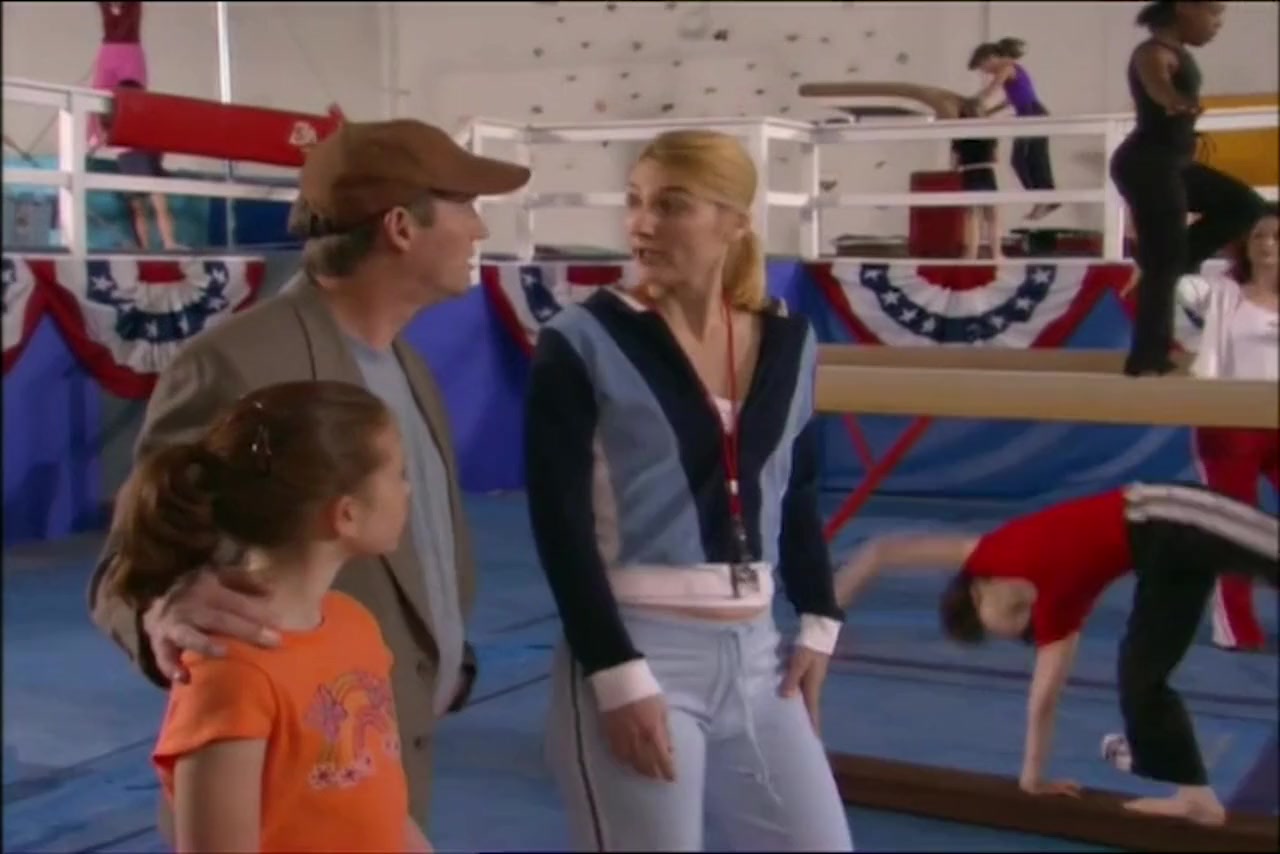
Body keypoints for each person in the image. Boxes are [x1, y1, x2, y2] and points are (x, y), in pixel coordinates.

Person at [86, 118, 532, 833]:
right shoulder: (235, 364)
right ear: (401, 227)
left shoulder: (411, 366)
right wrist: (162, 613)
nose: (480, 229)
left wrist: (442, 661)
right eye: (466, 206)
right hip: (284, 796)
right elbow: (128, 565)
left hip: (378, 757)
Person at [524, 129, 853, 852]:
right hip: (640, 648)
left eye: (672, 205)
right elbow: (558, 521)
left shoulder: (791, 340)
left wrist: (819, 618)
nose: (642, 224)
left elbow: (796, 487)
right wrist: (615, 673)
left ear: (735, 222)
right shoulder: (580, 338)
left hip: (760, 662)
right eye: (635, 202)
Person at [834, 481, 1278, 827]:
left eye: (1000, 615)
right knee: (1140, 680)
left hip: (1162, 514)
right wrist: (1033, 778)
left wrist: (827, 618)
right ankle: (1196, 797)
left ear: (977, 588)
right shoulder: (1055, 617)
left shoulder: (984, 553)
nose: (1016, 623)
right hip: (1161, 564)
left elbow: (882, 552)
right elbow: (1043, 700)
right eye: (1012, 625)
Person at [110, 381, 431, 852]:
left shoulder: (355, 625)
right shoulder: (232, 672)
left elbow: (379, 807)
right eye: (398, 473)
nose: (408, 490)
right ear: (345, 514)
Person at [1109, 0, 1265, 377]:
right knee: (1165, 262)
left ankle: (1169, 259)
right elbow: (1157, 84)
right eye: (1214, 14)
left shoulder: (1176, 51)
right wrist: (1174, 100)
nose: (1218, 24)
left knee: (1246, 205)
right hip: (1147, 164)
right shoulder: (1153, 52)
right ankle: (1147, 359)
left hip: (1173, 166)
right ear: (1184, 8)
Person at [1177, 204, 1278, 651]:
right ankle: (1235, 626)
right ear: (1245, 244)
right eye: (1259, 236)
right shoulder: (1219, 292)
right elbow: (1175, 278)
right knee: (1234, 527)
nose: (1268, 244)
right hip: (1230, 424)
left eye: (1277, 236)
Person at [968, 37, 1057, 221]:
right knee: (1025, 159)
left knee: (1030, 158)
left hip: (1033, 114)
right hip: (1026, 114)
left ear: (990, 58)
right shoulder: (1010, 70)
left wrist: (973, 102)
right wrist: (990, 111)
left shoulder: (1006, 66)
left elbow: (993, 88)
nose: (985, 72)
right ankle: (1044, 198)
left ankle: (1045, 198)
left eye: (983, 67)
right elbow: (1011, 99)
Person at [102, 79, 181, 251]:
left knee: (149, 205)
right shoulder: (122, 115)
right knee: (148, 204)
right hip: (133, 155)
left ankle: (163, 243)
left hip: (139, 154)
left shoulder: (137, 115)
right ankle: (160, 243)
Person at [951, 97, 1002, 260]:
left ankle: (971, 253)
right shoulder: (989, 132)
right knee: (992, 215)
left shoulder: (958, 134)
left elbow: (954, 163)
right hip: (987, 172)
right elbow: (996, 158)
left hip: (969, 173)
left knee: (972, 216)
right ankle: (996, 253)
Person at [90, 2, 147, 148]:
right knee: (99, 97)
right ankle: (97, 138)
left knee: (132, 100)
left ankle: (132, 140)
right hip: (109, 51)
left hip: (130, 51)